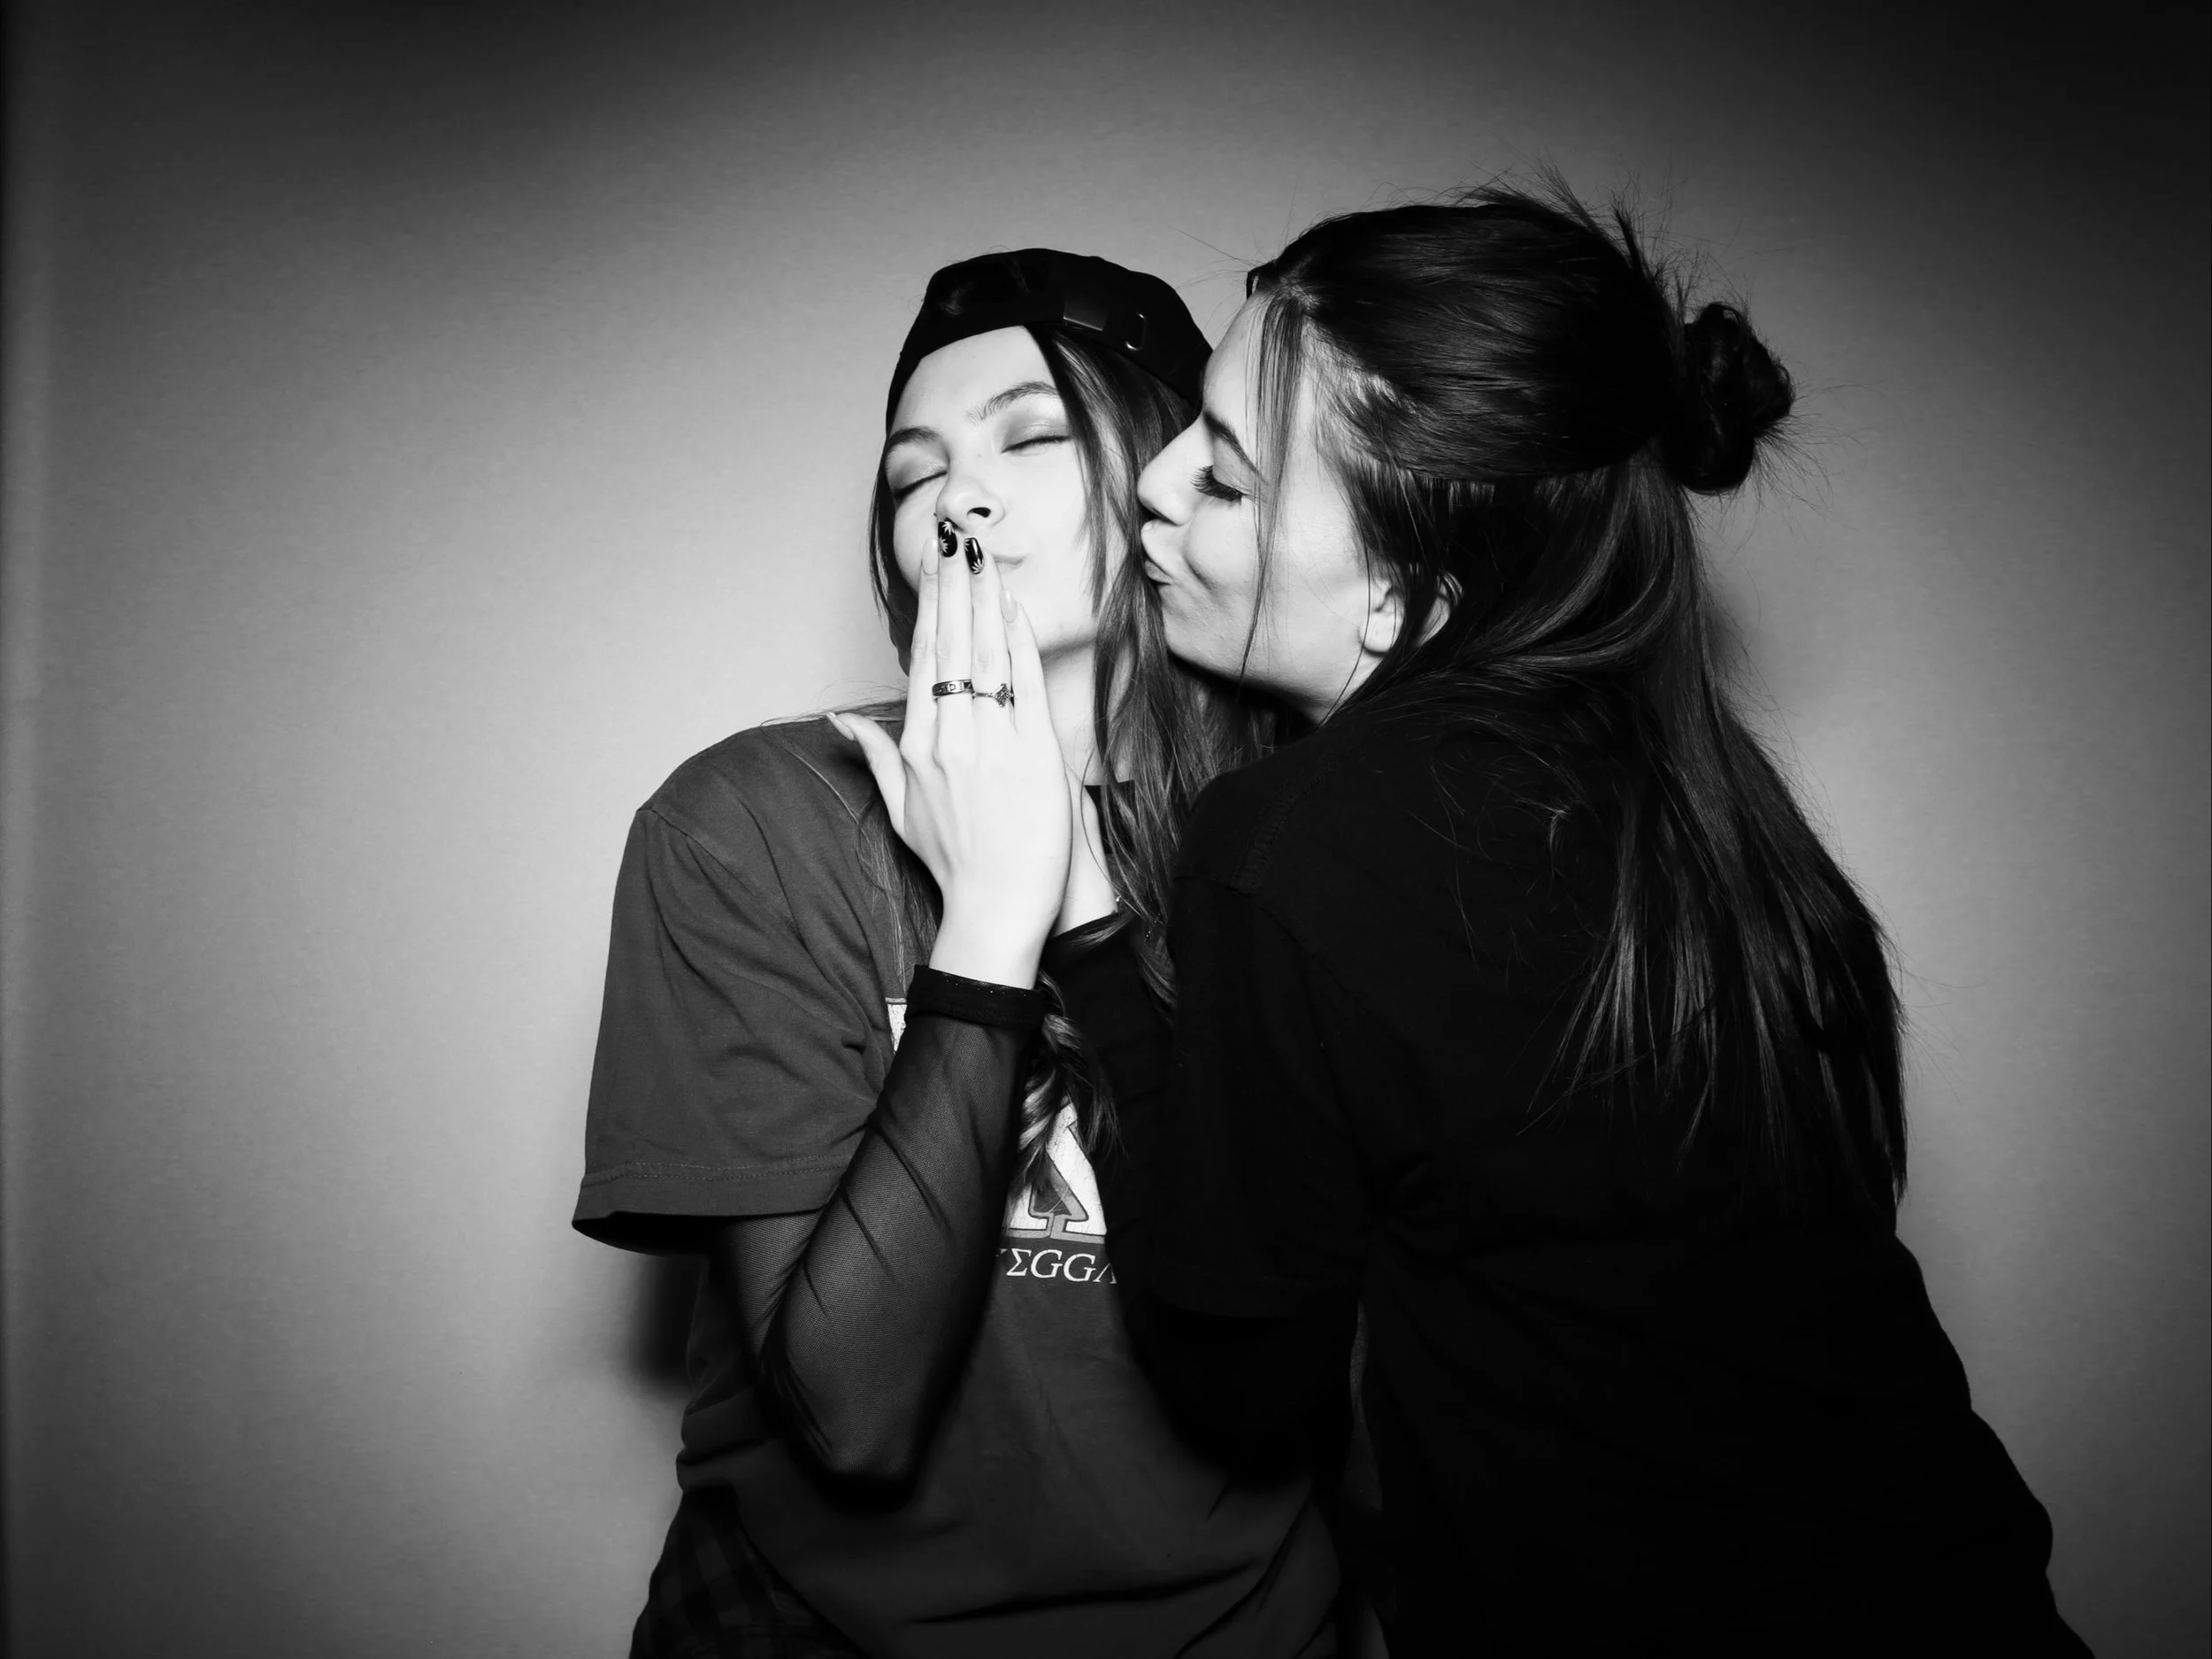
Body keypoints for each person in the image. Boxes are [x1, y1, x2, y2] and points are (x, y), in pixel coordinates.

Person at [864, 188, 2088, 1655]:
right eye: (1190, 431)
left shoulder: (1302, 837)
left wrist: (1076, 927)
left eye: (1230, 478)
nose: (1158, 487)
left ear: (1399, 591)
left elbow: (1243, 1387)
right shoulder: (1719, 800)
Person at [573, 250, 1340, 1657]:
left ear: (1187, 483)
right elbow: (851, 1417)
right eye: (912, 472)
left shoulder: (1323, 824)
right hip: (813, 1622)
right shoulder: (749, 823)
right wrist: (991, 918)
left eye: (1030, 438)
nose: (956, 500)